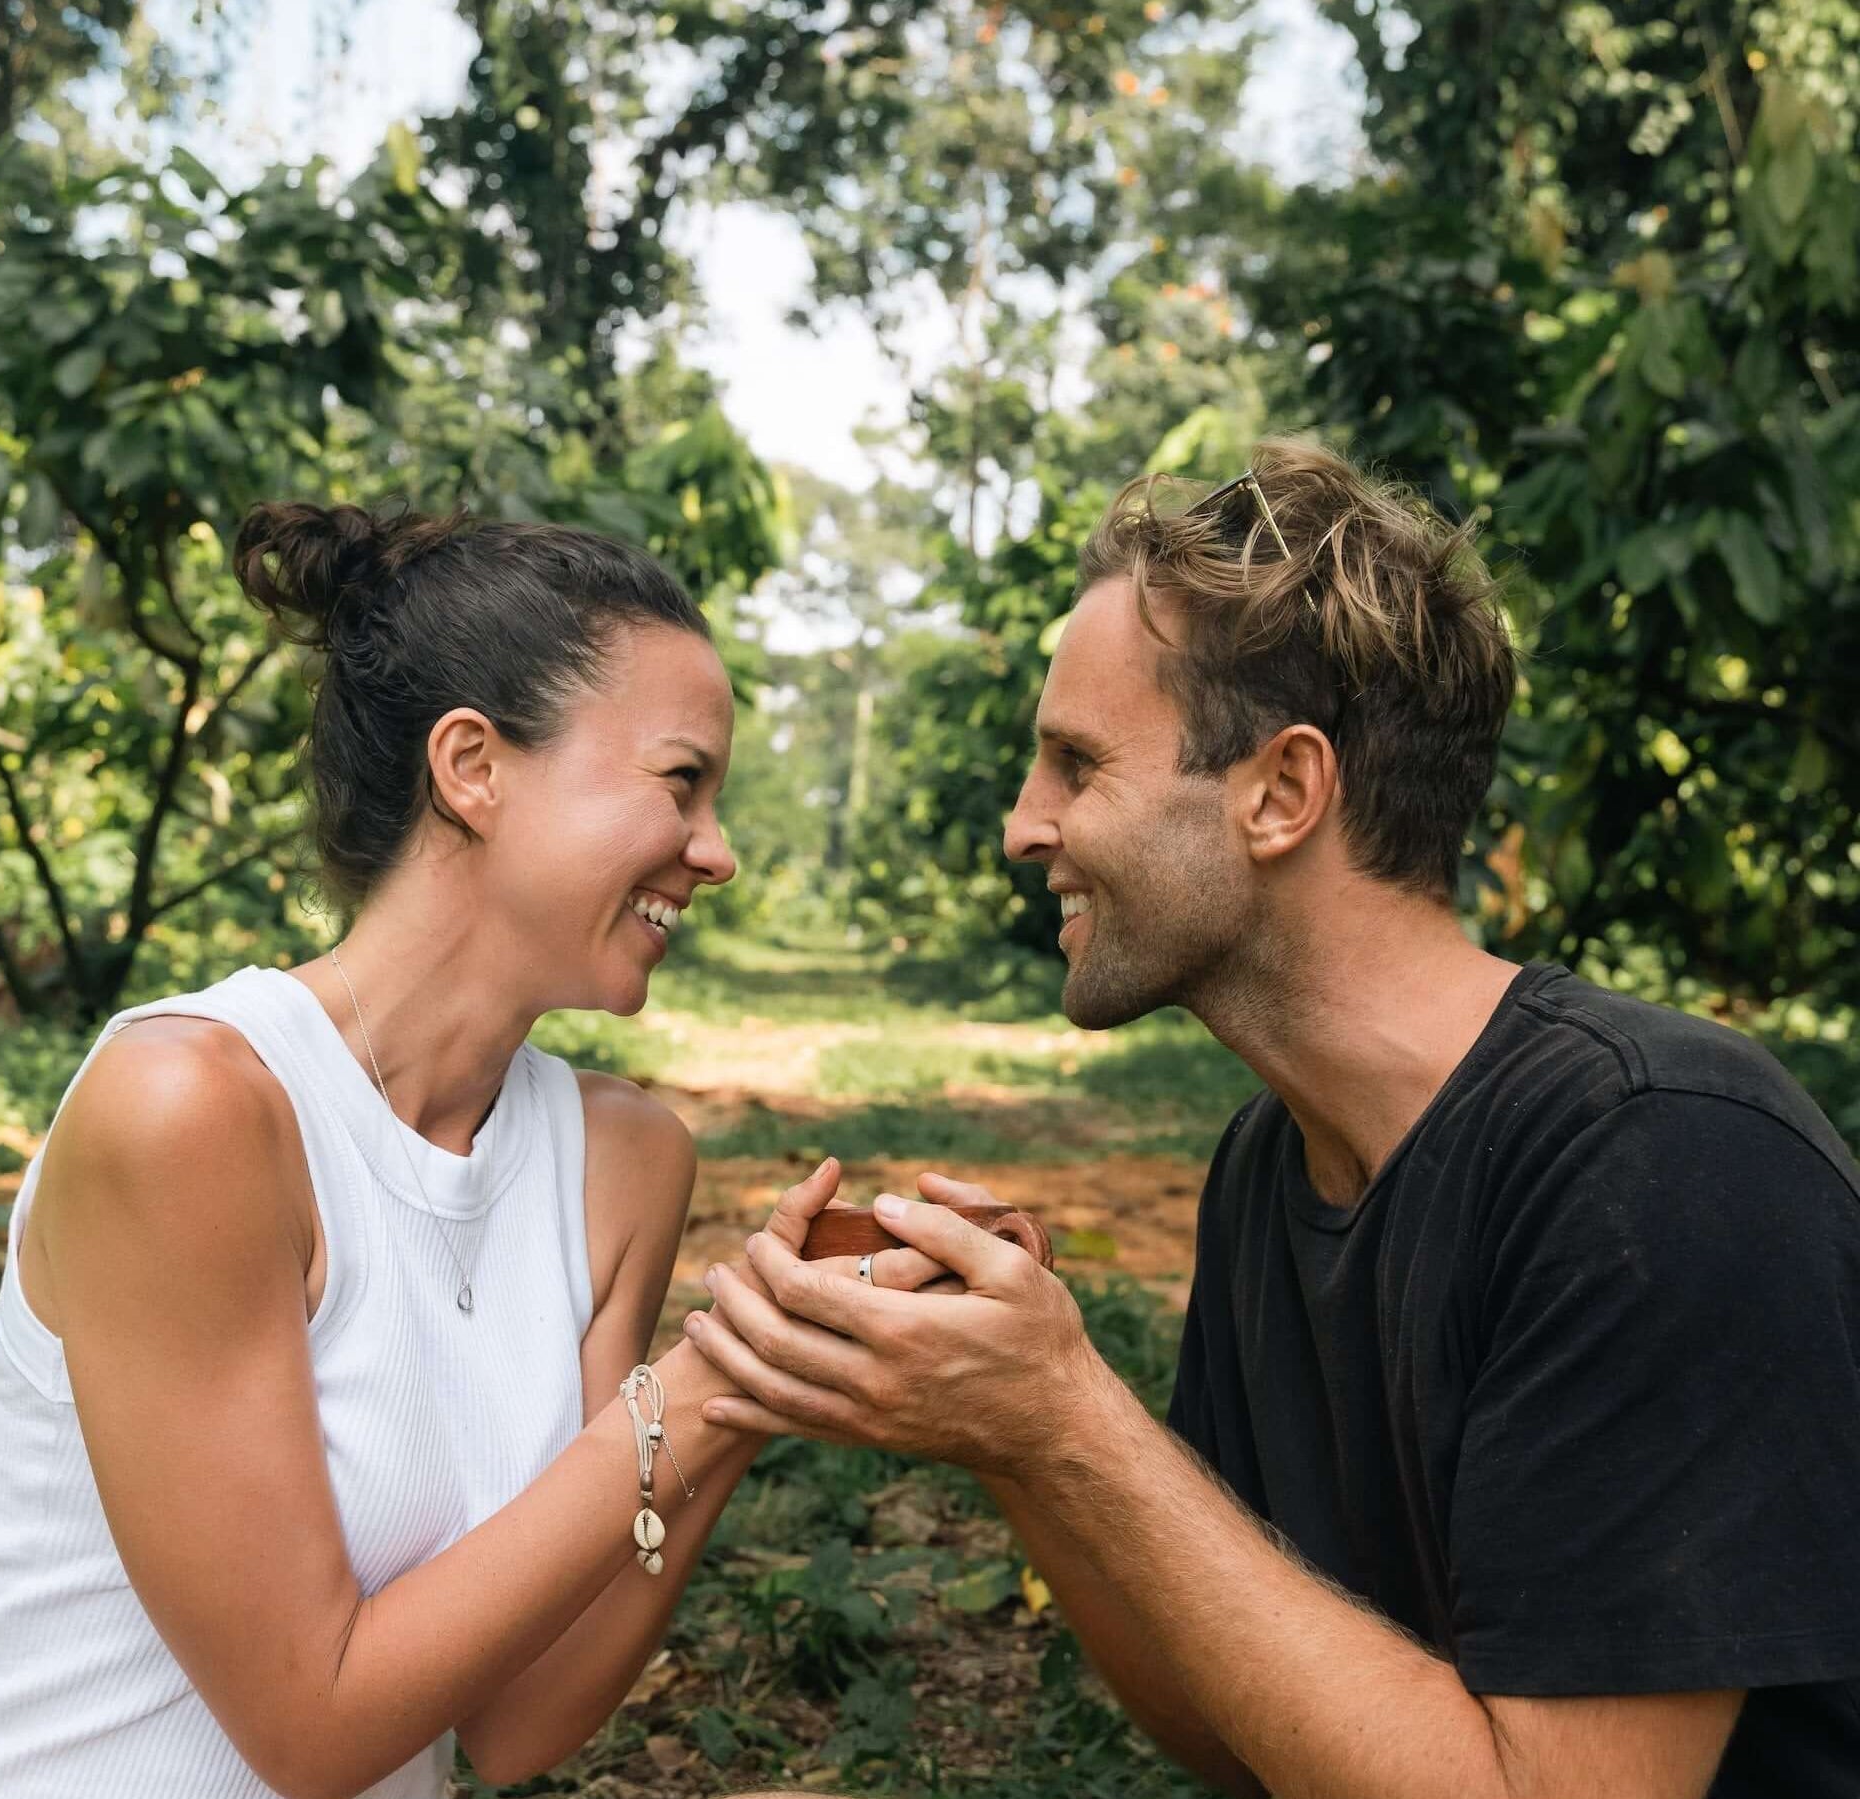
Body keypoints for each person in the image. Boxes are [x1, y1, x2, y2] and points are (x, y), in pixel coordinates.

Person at [685, 439, 1860, 1799]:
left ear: (1282, 793)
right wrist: (1012, 1436)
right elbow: (1232, 1722)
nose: (1022, 825)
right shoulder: (1272, 1159)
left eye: (1075, 764)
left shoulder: (1663, 1158)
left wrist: (1070, 1418)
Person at [0, 504, 945, 1799]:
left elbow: (514, 1727)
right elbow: (314, 1725)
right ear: (473, 767)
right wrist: (705, 1381)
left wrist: (744, 1394)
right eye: (682, 781)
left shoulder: (618, 1161)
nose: (716, 852)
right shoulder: (195, 1107)